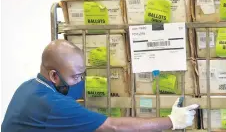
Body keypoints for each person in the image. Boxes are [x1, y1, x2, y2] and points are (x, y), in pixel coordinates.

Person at [1, 39, 199, 132]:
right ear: (54, 75)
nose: (80, 82)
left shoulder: (29, 87)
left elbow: (74, 87)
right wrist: (172, 121)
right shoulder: (52, 104)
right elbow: (112, 126)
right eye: (76, 77)